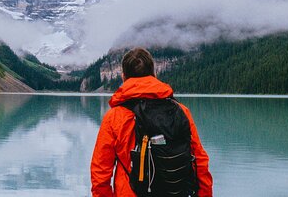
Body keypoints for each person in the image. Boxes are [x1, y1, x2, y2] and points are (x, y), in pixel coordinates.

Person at [90, 47, 213, 197]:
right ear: (154, 74)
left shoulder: (114, 117)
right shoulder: (181, 110)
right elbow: (199, 161)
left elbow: (100, 173)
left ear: (123, 77)